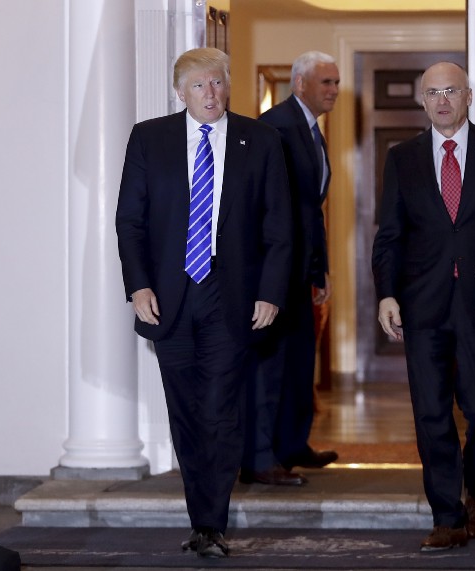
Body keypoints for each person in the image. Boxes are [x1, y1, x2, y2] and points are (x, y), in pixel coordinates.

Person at [115, 47, 292, 558]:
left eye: (217, 83)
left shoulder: (260, 140)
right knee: (186, 412)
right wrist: (138, 286)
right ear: (180, 92)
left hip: (230, 295)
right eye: (199, 85)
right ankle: (201, 518)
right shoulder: (149, 138)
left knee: (220, 408)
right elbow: (130, 221)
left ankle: (212, 524)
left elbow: (279, 225)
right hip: (168, 297)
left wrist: (270, 292)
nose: (210, 94)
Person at [371, 61, 475, 551]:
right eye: (433, 92)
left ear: (469, 96)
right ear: (422, 100)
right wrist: (386, 293)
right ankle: (446, 515)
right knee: (430, 412)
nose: (442, 100)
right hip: (422, 303)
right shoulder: (402, 157)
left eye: (451, 91)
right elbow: (389, 234)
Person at [239, 51, 340, 487]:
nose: (334, 90)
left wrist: (320, 269)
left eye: (336, 82)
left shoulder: (310, 128)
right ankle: (260, 459)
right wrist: (273, 275)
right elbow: (267, 208)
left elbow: (310, 209)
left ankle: (292, 446)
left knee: (299, 363)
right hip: (273, 272)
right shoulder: (276, 127)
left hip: (300, 270)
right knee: (270, 367)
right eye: (326, 82)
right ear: (300, 84)